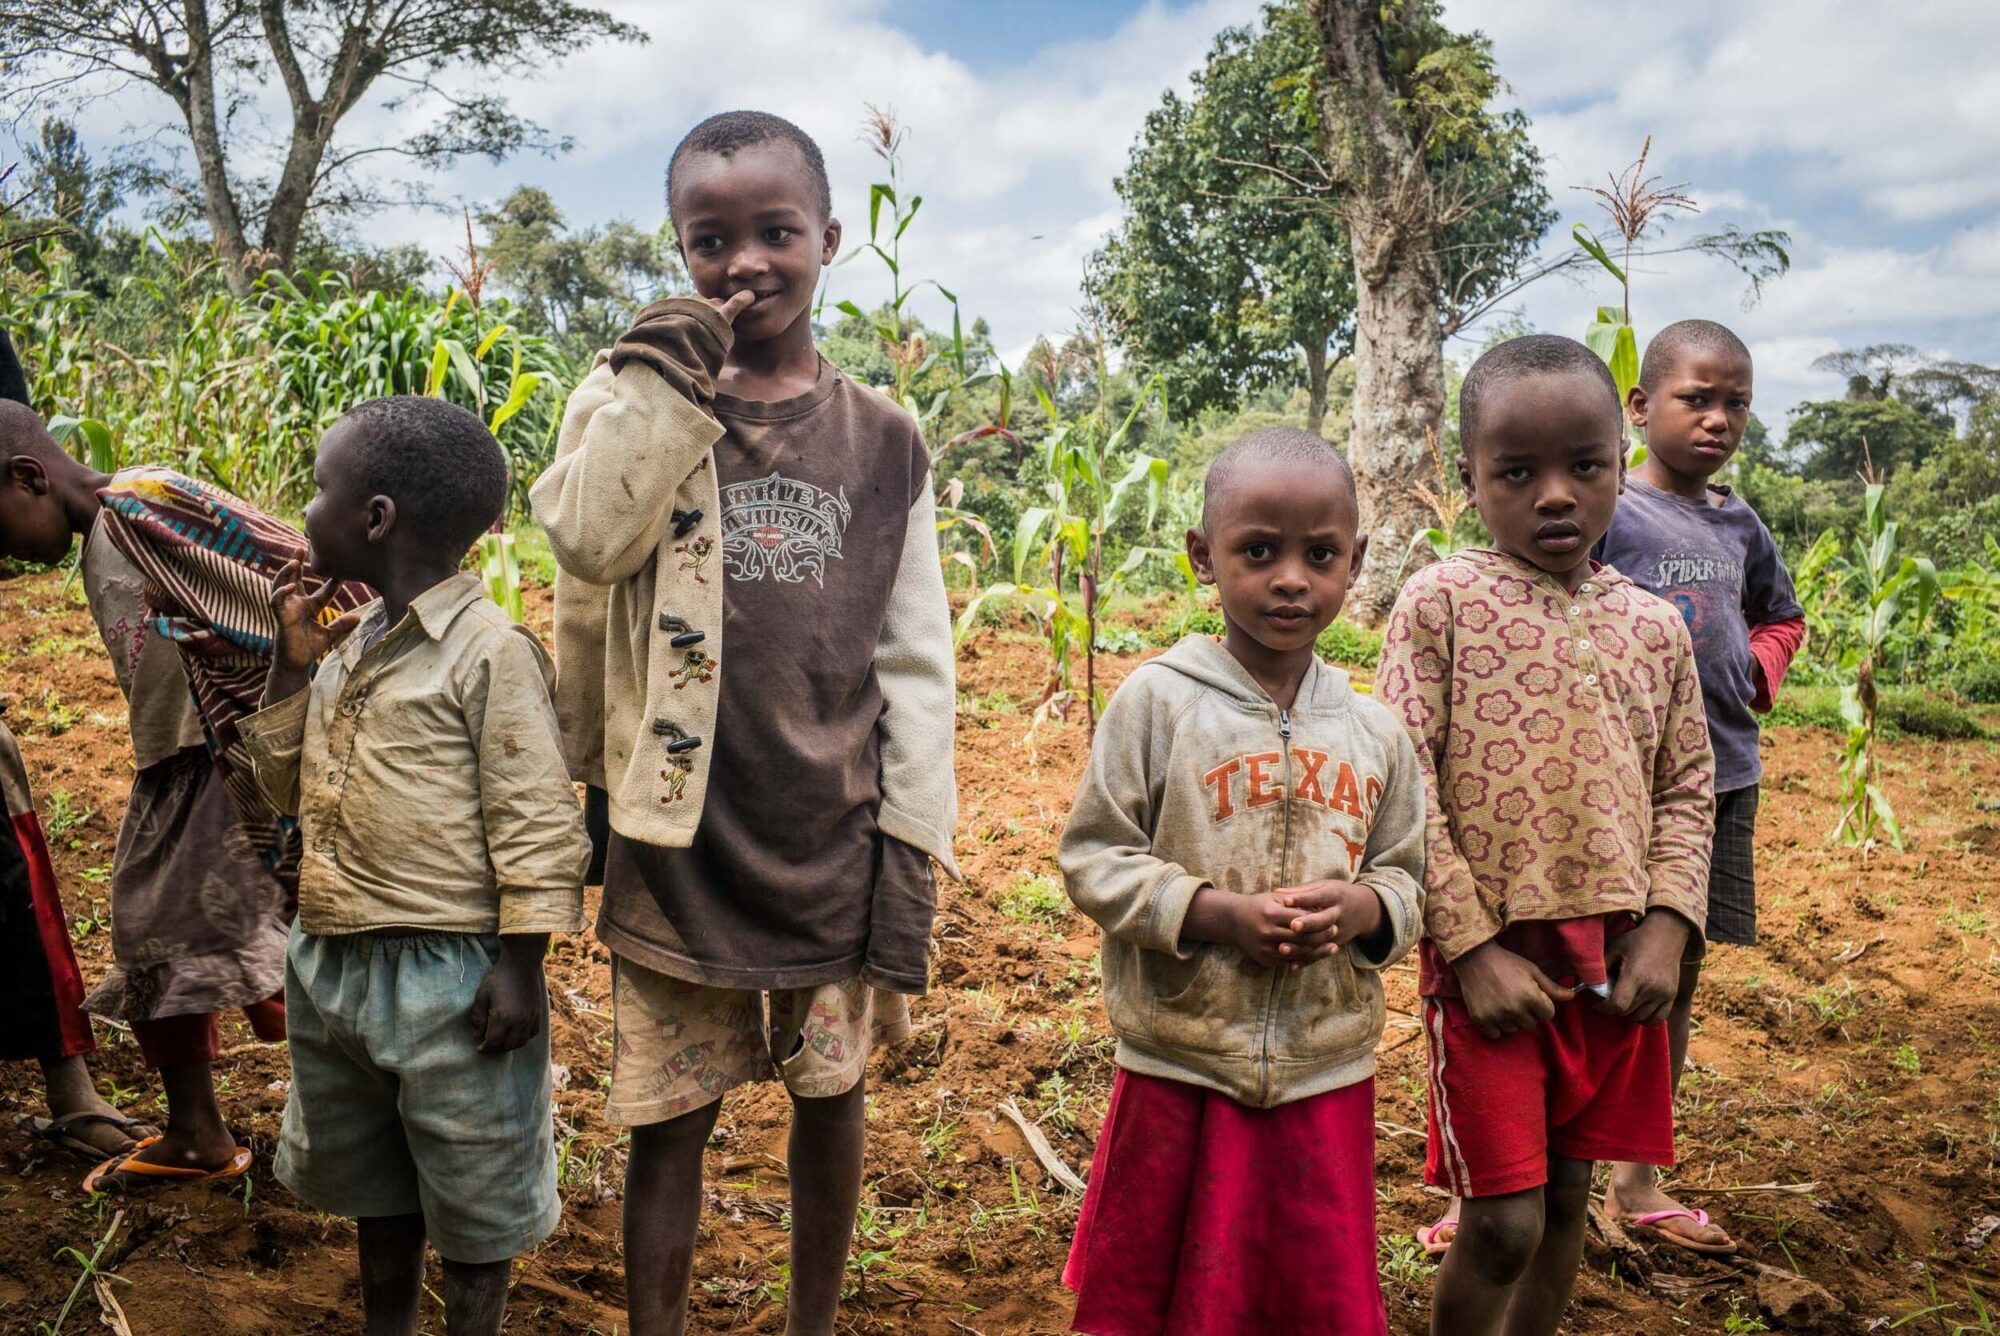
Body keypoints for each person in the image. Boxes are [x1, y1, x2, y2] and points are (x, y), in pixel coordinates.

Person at [530, 110, 957, 1336]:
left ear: (828, 238)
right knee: (668, 1120)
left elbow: (914, 655)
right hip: (678, 842)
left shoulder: (883, 439)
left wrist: (912, 836)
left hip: (829, 830)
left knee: (832, 1100)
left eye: (775, 232)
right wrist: (656, 394)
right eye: (708, 240)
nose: (743, 264)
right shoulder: (623, 399)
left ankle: (809, 1323)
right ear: (678, 250)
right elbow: (590, 544)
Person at [1375, 334, 1715, 1336]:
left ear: (1619, 460)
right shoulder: (1436, 604)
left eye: (1584, 466)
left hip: (1613, 966)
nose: (1554, 495)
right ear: (1468, 478)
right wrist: (1471, 950)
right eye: (1516, 473)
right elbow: (1404, 783)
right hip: (1491, 972)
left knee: (1567, 1199)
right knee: (1502, 1222)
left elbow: (1686, 787)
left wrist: (1665, 924)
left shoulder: (1653, 627)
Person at [1058, 427, 1427, 1335]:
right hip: (1181, 1054)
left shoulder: (1376, 732)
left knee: (1305, 1290)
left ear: (1357, 562)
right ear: (1203, 558)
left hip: (1323, 1064)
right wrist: (1213, 913)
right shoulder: (1158, 701)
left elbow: (1409, 878)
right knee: (1162, 1290)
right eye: (1258, 552)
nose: (1291, 579)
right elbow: (1094, 857)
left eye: (1320, 555)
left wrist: (1365, 907)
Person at [239, 395, 589, 1336]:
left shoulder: (490, 655)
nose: (305, 508)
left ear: (376, 518)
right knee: (376, 1186)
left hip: (452, 980)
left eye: (319, 488)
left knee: (475, 1203)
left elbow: (534, 821)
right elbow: (282, 788)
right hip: (334, 964)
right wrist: (290, 664)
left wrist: (521, 967)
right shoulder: (346, 647)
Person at [0, 395, 322, 1192]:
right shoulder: (110, 531)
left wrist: (257, 665)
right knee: (170, 933)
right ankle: (199, 1131)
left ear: (29, 477)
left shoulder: (142, 505)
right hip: (178, 761)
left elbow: (282, 574)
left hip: (219, 759)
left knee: (272, 935)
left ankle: (332, 1112)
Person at [1590, 319, 1804, 1254]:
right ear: (1639, 408)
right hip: (1612, 783)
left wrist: (1751, 674)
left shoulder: (1738, 522)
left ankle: (1636, 1181)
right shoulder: (1610, 511)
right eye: (1696, 399)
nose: (1718, 419)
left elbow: (1781, 616)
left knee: (1672, 974)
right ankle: (1514, 1177)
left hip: (1718, 779)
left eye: (1737, 405)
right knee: (1577, 961)